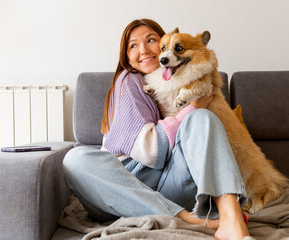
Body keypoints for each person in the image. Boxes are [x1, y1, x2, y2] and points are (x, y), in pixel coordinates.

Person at [63, 18, 251, 240]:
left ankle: (233, 220)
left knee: (203, 117)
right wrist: (190, 108)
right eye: (133, 45)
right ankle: (188, 219)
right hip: (120, 191)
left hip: (170, 184)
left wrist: (195, 111)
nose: (143, 50)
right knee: (75, 158)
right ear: (127, 57)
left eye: (151, 40)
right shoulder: (129, 80)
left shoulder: (177, 81)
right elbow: (150, 151)